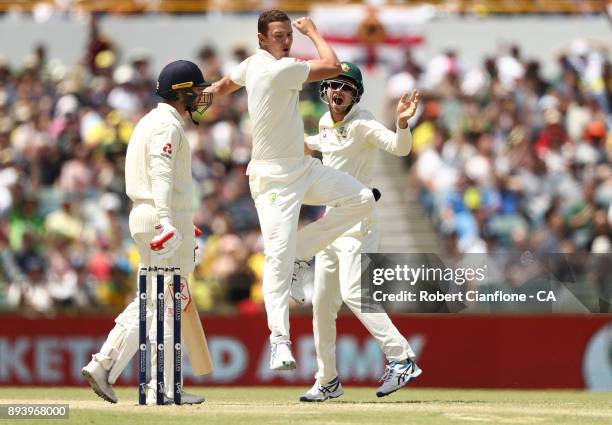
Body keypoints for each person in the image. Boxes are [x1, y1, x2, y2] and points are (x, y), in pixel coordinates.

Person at [205, 10, 375, 370]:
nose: (286, 40)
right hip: (271, 181)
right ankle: (279, 341)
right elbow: (332, 65)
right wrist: (312, 31)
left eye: (288, 35)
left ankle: (302, 252)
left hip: (302, 168)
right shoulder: (278, 69)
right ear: (262, 39)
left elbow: (223, 86)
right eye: (278, 35)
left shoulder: (251, 65)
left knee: (361, 198)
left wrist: (200, 100)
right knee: (277, 257)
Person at [81, 60, 212, 405]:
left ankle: (104, 365)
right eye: (196, 91)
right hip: (160, 217)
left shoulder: (149, 121)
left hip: (148, 216)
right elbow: (161, 173)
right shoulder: (167, 126)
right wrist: (169, 219)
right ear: (181, 93)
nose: (200, 97)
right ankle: (163, 388)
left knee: (150, 303)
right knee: (167, 305)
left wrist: (178, 217)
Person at [300, 62, 422, 401]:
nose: (339, 92)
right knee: (323, 304)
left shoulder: (364, 123)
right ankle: (327, 380)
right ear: (324, 91)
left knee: (354, 293)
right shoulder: (325, 122)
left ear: (356, 95)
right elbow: (320, 142)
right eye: (334, 86)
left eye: (347, 87)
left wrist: (401, 124)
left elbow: (400, 149)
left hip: (358, 224)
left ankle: (402, 358)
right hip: (331, 224)